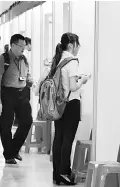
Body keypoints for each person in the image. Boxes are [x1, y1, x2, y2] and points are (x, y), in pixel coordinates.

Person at [45, 33, 89, 185]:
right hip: (70, 104)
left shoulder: (59, 60)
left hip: (59, 104)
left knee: (59, 138)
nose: (79, 47)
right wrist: (83, 80)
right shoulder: (72, 61)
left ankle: (57, 174)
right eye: (78, 44)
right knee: (67, 140)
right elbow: (72, 86)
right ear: (71, 45)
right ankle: (65, 172)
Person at [0, 34, 33, 164]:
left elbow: (26, 74)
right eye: (20, 46)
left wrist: (29, 81)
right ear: (13, 45)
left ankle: (13, 149)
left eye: (24, 46)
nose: (23, 48)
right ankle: (9, 155)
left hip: (22, 93)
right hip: (8, 93)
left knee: (27, 121)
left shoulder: (24, 59)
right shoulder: (3, 58)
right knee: (6, 125)